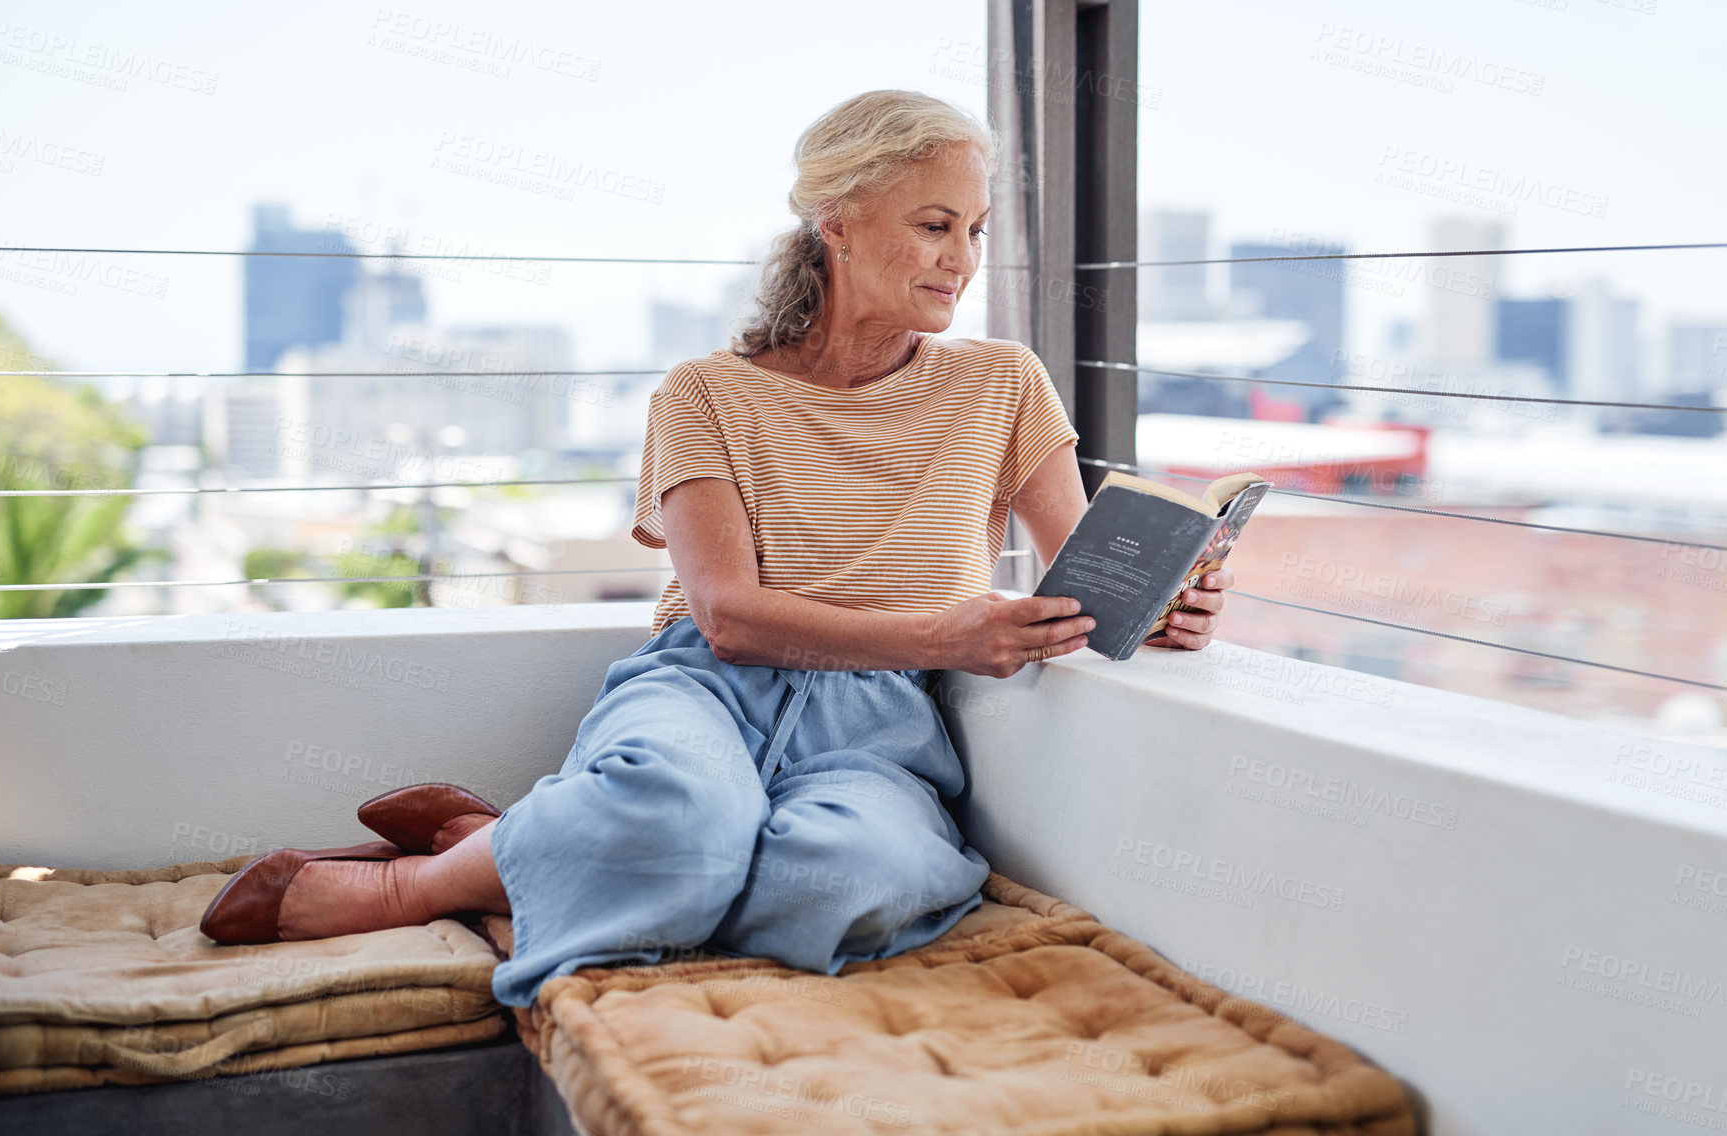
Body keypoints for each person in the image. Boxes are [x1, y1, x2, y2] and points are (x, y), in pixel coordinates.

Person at [198, 89, 1234, 1009]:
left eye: (973, 227)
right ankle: (411, 882)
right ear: (838, 221)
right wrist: (941, 631)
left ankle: (516, 850)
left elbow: (1077, 575)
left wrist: (1162, 605)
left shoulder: (1005, 383)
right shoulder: (704, 393)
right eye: (933, 224)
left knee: (845, 880)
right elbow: (730, 617)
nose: (962, 257)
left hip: (878, 720)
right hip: (705, 684)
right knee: (685, 827)